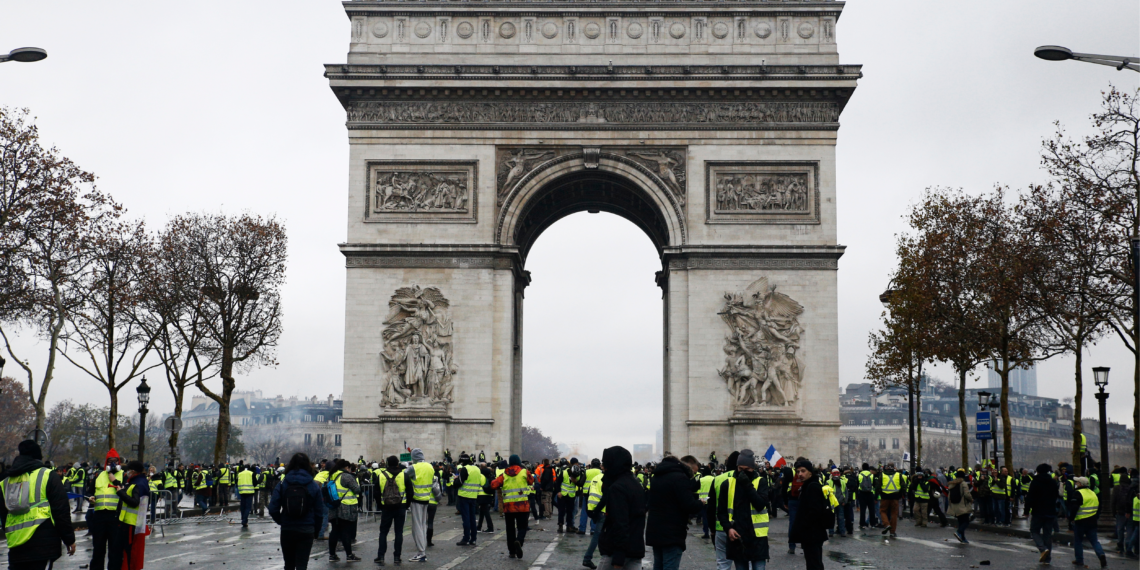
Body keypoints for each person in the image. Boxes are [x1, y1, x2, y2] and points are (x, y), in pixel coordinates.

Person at [0, 440, 77, 570]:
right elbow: (61, 511)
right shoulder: (47, 475)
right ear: (38, 457)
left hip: (16, 544)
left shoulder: (5, 481)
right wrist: (69, 539)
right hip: (43, 544)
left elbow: (3, 516)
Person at [644, 454, 704, 570]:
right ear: (689, 465)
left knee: (658, 565)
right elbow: (689, 505)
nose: (692, 475)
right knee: (670, 565)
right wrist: (700, 503)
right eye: (693, 471)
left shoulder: (657, 476)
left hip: (655, 529)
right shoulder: (680, 478)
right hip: (672, 531)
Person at [269, 453, 326, 570]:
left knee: (289, 564)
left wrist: (281, 521)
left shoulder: (283, 483)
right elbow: (319, 511)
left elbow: (273, 507)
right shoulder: (313, 485)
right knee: (302, 564)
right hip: (307, 528)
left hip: (288, 528)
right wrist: (316, 530)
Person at [716, 449, 770, 570]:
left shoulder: (761, 482)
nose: (743, 473)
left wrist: (748, 485)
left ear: (753, 468)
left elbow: (760, 504)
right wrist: (728, 528)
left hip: (757, 537)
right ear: (736, 467)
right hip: (737, 536)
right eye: (740, 469)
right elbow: (721, 512)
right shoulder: (727, 484)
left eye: (747, 470)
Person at [596, 446, 646, 570]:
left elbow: (620, 524)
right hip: (635, 548)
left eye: (605, 464)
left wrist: (618, 558)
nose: (603, 467)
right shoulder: (636, 485)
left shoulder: (617, 488)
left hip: (616, 553)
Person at [788, 459, 831, 570]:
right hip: (811, 533)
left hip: (812, 533)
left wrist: (803, 525)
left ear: (810, 472)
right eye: (798, 472)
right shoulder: (808, 485)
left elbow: (814, 512)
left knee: (814, 564)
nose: (800, 474)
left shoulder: (812, 486)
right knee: (813, 563)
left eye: (803, 471)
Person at [490, 454, 534, 559]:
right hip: (522, 506)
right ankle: (519, 540)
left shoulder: (504, 474)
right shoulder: (524, 472)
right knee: (522, 527)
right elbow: (531, 481)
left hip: (508, 507)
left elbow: (493, 485)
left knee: (510, 530)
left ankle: (512, 552)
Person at [108, 460, 150, 570]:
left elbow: (135, 502)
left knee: (126, 553)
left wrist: (120, 493)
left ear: (133, 471)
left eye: (128, 470)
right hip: (129, 522)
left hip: (130, 524)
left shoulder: (137, 484)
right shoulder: (139, 481)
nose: (127, 473)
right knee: (122, 552)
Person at [88, 449, 123, 570]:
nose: (112, 464)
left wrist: (115, 480)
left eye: (115, 461)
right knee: (98, 548)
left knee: (115, 549)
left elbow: (126, 492)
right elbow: (89, 492)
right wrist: (90, 498)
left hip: (116, 516)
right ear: (106, 463)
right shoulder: (99, 476)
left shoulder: (123, 475)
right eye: (110, 461)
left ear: (119, 462)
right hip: (99, 516)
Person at [1068, 476, 1107, 568]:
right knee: (1094, 541)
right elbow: (1098, 506)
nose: (1076, 484)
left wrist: (1071, 519)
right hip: (1092, 520)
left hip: (1080, 521)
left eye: (1077, 482)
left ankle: (1079, 560)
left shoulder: (1077, 493)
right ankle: (1101, 554)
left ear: (1080, 484)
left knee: (1078, 541)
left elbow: (1074, 508)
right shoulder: (1093, 493)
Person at [327, 459, 362, 562]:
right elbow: (357, 489)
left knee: (334, 531)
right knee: (345, 532)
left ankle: (332, 555)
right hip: (345, 507)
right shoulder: (346, 476)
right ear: (346, 467)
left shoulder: (332, 475)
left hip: (334, 506)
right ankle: (349, 555)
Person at [375, 456, 408, 565]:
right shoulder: (404, 475)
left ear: (387, 464)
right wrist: (406, 505)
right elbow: (410, 492)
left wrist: (380, 505)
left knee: (383, 532)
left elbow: (376, 493)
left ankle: (381, 556)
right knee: (399, 532)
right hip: (400, 506)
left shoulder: (381, 476)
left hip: (386, 507)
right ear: (398, 464)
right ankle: (397, 557)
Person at [405, 448, 435, 563]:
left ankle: (421, 553)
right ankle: (422, 551)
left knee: (416, 527)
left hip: (416, 499)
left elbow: (403, 477)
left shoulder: (414, 468)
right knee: (422, 525)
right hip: (427, 498)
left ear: (414, 457)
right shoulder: (430, 466)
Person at [1025, 463, 1058, 563]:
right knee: (1047, 534)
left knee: (1034, 531)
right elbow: (1055, 496)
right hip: (1051, 511)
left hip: (1038, 511)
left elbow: (1030, 498)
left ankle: (1043, 549)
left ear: (1038, 471)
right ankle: (1047, 558)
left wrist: (1026, 511)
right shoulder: (1053, 482)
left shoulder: (1035, 482)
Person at [452, 452, 482, 546]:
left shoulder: (465, 469)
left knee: (466, 519)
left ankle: (465, 538)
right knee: (472, 518)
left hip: (464, 496)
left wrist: (455, 479)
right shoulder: (477, 469)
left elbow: (459, 483)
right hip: (474, 496)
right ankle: (473, 538)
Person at [583, 461, 607, 570]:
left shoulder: (596, 477)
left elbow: (589, 493)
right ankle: (588, 558)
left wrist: (591, 510)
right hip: (602, 511)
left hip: (593, 509)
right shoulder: (607, 479)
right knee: (598, 536)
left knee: (600, 535)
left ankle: (593, 558)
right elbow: (605, 497)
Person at [875, 463, 905, 537]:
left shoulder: (882, 475)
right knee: (894, 514)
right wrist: (901, 495)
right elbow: (903, 486)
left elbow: (877, 486)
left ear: (887, 468)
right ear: (894, 468)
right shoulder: (898, 475)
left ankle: (886, 524)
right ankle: (892, 532)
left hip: (885, 497)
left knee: (882, 511)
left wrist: (878, 495)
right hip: (895, 497)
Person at [828, 469, 848, 536]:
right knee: (831, 518)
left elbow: (846, 492)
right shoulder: (828, 482)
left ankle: (842, 531)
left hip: (840, 502)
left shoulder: (842, 482)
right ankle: (831, 532)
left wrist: (845, 501)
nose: (836, 475)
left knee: (841, 518)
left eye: (837, 473)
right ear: (832, 474)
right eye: (835, 473)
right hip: (832, 503)